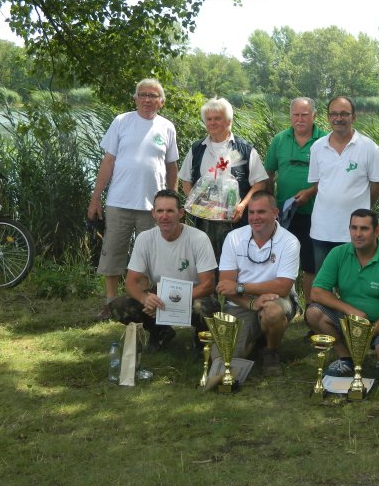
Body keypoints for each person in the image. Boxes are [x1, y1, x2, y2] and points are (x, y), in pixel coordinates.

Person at [89, 78, 178, 317]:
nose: (147, 99)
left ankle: (144, 303)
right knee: (113, 252)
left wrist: (172, 202)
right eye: (143, 94)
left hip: (153, 207)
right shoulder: (121, 121)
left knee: (150, 257)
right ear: (135, 98)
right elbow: (108, 162)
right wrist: (95, 198)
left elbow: (171, 167)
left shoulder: (167, 127)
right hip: (119, 201)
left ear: (162, 101)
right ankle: (110, 302)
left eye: (153, 95)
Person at [108, 190, 219, 350]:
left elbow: (208, 285)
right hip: (159, 294)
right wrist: (145, 299)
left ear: (180, 213)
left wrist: (171, 301)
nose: (164, 216)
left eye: (170, 211)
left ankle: (202, 341)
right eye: (160, 211)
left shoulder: (199, 238)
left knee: (207, 308)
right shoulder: (144, 239)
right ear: (153, 213)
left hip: (195, 294)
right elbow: (131, 284)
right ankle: (161, 332)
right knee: (119, 306)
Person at [306, 209, 379, 378]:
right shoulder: (338, 254)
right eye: (353, 228)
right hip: (348, 319)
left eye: (364, 229)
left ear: (376, 231)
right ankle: (346, 358)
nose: (358, 234)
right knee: (313, 313)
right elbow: (317, 292)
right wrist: (349, 310)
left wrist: (369, 332)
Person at [217, 191, 300, 376]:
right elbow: (224, 286)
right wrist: (251, 302)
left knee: (272, 313)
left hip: (275, 299)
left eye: (261, 212)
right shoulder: (234, 238)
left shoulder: (289, 241)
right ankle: (257, 339)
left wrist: (241, 287)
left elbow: (283, 287)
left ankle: (271, 351)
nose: (255, 217)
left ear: (275, 212)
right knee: (223, 363)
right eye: (251, 212)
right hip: (240, 302)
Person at [179, 97, 268, 262]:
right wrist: (195, 203)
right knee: (204, 261)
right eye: (209, 119)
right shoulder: (196, 148)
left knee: (234, 262)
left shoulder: (245, 149)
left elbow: (260, 183)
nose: (212, 123)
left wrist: (241, 206)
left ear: (228, 121)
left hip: (235, 220)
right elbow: (185, 180)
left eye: (217, 118)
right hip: (203, 220)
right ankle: (208, 288)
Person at [308, 96, 379, 272]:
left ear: (354, 117)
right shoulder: (317, 147)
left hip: (356, 232)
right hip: (322, 229)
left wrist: (362, 207)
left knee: (353, 284)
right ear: (328, 117)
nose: (338, 118)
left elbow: (377, 186)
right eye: (333, 114)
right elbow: (318, 184)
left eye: (344, 114)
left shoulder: (369, 148)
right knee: (323, 283)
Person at [264, 97, 327, 306]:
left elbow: (331, 177)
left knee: (311, 264)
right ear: (290, 117)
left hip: (315, 213)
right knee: (280, 261)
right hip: (284, 214)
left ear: (314, 116)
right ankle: (283, 304)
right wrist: (269, 204)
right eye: (296, 115)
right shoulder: (279, 140)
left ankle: (311, 310)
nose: (300, 119)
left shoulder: (325, 141)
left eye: (305, 115)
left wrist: (310, 192)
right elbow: (268, 173)